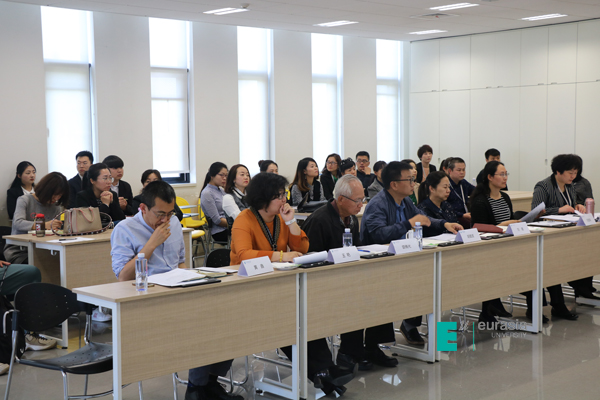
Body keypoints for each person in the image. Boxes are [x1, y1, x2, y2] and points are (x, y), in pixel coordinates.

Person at [111, 181, 243, 400]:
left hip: (178, 290)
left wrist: (190, 278)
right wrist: (151, 244)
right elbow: (123, 277)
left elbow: (180, 262)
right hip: (146, 299)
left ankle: (209, 382)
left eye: (170, 213)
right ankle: (196, 388)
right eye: (160, 214)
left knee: (229, 315)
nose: (166, 220)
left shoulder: (174, 223)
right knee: (203, 323)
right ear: (143, 208)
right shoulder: (124, 229)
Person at [230, 173, 353, 395]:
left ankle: (324, 370)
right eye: (278, 196)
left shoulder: (280, 219)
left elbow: (303, 247)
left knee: (304, 313)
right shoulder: (244, 219)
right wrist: (280, 256)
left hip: (276, 285)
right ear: (263, 198)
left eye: (283, 194)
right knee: (286, 319)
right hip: (247, 287)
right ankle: (322, 372)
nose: (283, 200)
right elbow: (242, 254)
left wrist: (291, 222)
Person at [361, 162, 462, 347]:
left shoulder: (405, 201)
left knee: (432, 278)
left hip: (404, 257)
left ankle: (412, 325)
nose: (413, 184)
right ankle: (378, 345)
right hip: (380, 263)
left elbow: (422, 218)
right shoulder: (378, 204)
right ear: (394, 184)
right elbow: (378, 235)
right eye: (409, 180)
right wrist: (409, 223)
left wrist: (444, 224)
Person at [303, 175, 398, 373]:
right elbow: (310, 258)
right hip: (325, 282)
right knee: (356, 298)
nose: (361, 205)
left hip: (349, 276)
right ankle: (349, 352)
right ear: (340, 199)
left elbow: (357, 248)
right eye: (357, 200)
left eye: (363, 199)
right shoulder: (319, 220)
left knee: (380, 291)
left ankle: (371, 347)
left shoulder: (351, 219)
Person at [531, 154, 597, 304]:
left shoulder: (570, 186)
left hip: (567, 229)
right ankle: (567, 295)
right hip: (549, 234)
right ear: (558, 171)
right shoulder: (543, 186)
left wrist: (577, 207)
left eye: (575, 173)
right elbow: (535, 212)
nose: (573, 176)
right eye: (570, 173)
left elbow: (570, 207)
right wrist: (559, 210)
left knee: (588, 251)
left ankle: (583, 287)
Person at [469, 161, 523, 323]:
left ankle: (492, 307)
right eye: (502, 174)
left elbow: (510, 219)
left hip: (506, 243)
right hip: (488, 247)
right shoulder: (480, 200)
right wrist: (505, 224)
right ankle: (489, 308)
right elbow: (480, 229)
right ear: (490, 177)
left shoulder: (505, 197)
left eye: (506, 174)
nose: (505, 178)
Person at [4, 172, 68, 264]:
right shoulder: (24, 200)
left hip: (45, 248)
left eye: (60, 195)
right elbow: (17, 223)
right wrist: (43, 225)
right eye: (54, 194)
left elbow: (55, 231)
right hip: (20, 251)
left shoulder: (56, 206)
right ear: (46, 190)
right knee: (47, 263)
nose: (56, 198)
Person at [416, 171, 458, 237]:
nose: (448, 190)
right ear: (432, 189)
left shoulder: (447, 205)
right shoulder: (423, 208)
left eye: (449, 187)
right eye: (445, 187)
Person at [200, 162, 229, 243]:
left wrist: (227, 188)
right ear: (212, 176)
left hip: (230, 226)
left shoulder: (222, 191)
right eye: (222, 175)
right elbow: (217, 220)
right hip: (220, 231)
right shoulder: (207, 193)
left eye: (226, 175)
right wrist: (235, 223)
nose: (224, 178)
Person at [447, 157, 474, 221]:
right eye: (459, 170)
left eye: (463, 170)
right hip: (453, 218)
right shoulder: (446, 185)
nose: (462, 172)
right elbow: (444, 209)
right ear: (450, 171)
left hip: (466, 215)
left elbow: (476, 191)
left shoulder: (463, 182)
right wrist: (462, 215)